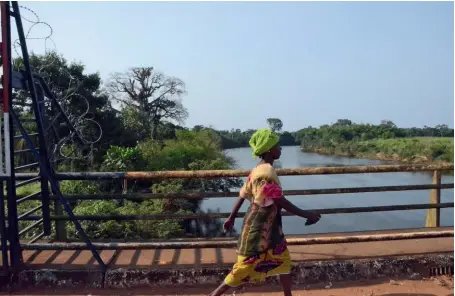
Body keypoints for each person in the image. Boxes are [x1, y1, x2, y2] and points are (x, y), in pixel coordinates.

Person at [208, 128, 321, 296]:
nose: (280, 148)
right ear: (269, 150)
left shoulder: (257, 169)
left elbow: (243, 195)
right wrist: (307, 214)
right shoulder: (266, 172)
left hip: (271, 227)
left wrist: (231, 217)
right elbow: (278, 200)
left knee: (283, 262)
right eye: (277, 145)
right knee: (242, 268)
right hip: (259, 228)